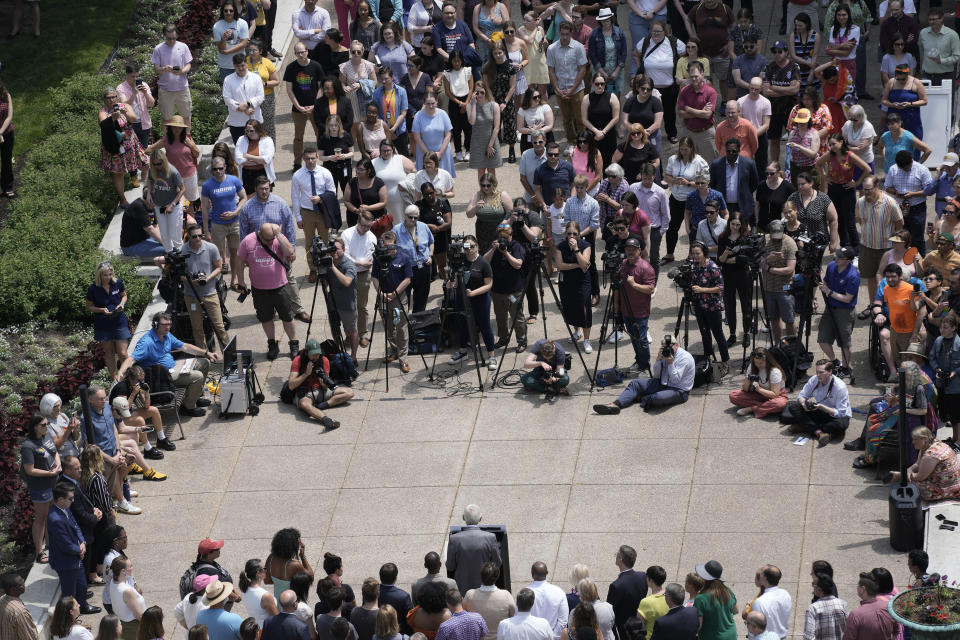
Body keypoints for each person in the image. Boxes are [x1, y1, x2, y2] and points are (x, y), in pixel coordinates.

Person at [118, 310, 215, 417]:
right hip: (161, 376)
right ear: (155, 325)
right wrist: (121, 373)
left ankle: (196, 396)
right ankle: (188, 407)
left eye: (169, 324)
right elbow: (131, 359)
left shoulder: (167, 335)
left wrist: (206, 353)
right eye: (164, 324)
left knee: (204, 362)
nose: (168, 327)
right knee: (197, 376)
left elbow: (185, 347)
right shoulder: (146, 342)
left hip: (173, 367)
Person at [236, 223, 299, 360]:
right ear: (259, 233)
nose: (270, 242)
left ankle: (293, 344)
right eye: (267, 240)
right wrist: (241, 280)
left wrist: (278, 234)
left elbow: (290, 254)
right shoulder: (248, 241)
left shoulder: (278, 238)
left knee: (287, 317)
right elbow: (239, 261)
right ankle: (272, 344)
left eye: (272, 240)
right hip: (259, 289)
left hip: (280, 286)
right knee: (266, 318)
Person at [592, 336, 695, 413]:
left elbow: (676, 380)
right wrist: (658, 360)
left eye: (668, 347)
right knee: (635, 383)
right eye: (664, 348)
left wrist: (670, 363)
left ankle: (641, 397)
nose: (667, 350)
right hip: (662, 384)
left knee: (656, 397)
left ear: (676, 345)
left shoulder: (685, 358)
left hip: (678, 390)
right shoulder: (665, 353)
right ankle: (615, 405)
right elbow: (657, 376)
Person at [49, 483, 99, 615]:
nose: (73, 500)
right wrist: (79, 550)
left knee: (82, 585)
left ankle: (82, 606)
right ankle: (70, 620)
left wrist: (82, 541)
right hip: (65, 562)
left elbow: (76, 526)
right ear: (60, 499)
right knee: (69, 594)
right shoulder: (55, 520)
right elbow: (64, 544)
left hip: (76, 557)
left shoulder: (65, 509)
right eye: (70, 498)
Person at [779, 359, 853, 446]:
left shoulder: (840, 387)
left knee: (840, 426)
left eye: (821, 372)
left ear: (830, 372)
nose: (818, 375)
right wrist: (804, 403)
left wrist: (822, 407)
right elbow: (802, 396)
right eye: (817, 372)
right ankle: (819, 432)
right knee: (794, 407)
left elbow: (841, 413)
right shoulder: (814, 379)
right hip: (820, 411)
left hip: (835, 416)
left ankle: (807, 426)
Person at [201, 155, 248, 290]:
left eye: (220, 169)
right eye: (215, 169)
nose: (218, 172)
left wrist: (235, 212)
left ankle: (234, 281)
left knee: (235, 253)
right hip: (217, 224)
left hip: (234, 223)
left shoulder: (234, 180)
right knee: (218, 256)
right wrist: (206, 230)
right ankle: (220, 282)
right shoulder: (207, 185)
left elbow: (243, 197)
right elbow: (204, 208)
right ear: (212, 170)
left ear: (225, 168)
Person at [291, 147, 338, 280]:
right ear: (303, 159)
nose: (311, 161)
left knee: (325, 240)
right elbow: (295, 197)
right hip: (307, 212)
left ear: (317, 157)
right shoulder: (298, 175)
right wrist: (298, 217)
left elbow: (332, 192)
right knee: (309, 243)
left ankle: (326, 267)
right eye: (308, 158)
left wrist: (320, 198)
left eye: (313, 158)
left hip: (323, 211)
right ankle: (313, 269)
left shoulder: (325, 173)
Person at [99, 88, 149, 209]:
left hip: (130, 144)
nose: (111, 100)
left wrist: (124, 112)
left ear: (117, 97)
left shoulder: (125, 106)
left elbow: (133, 119)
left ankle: (144, 178)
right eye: (108, 98)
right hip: (115, 146)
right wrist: (112, 118)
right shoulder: (103, 112)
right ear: (104, 100)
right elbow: (102, 124)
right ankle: (122, 199)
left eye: (113, 97)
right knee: (118, 173)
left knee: (145, 163)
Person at [19, 414, 60, 565]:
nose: (46, 427)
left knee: (51, 516)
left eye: (47, 424)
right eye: (43, 425)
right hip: (40, 487)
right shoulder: (28, 446)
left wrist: (58, 465)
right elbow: (30, 470)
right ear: (35, 427)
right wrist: (49, 473)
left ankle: (50, 544)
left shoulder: (46, 436)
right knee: (41, 519)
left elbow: (55, 453)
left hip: (52, 482)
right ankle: (39, 552)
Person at [855, 175, 903, 298]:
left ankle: (887, 306)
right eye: (864, 189)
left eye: (869, 189)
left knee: (888, 279)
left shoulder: (890, 203)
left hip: (886, 248)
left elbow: (900, 224)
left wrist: (895, 244)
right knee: (870, 278)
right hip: (867, 247)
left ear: (876, 187)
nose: (866, 192)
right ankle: (873, 305)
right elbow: (860, 221)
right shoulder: (860, 202)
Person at [373, 232, 413, 373]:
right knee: (388, 325)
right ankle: (394, 350)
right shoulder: (379, 258)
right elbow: (374, 277)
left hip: (398, 298)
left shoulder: (404, 257)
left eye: (391, 246)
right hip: (383, 298)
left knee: (401, 327)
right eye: (385, 246)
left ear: (396, 243)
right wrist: (381, 293)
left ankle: (403, 358)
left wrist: (395, 293)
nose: (388, 249)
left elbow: (407, 279)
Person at [484, 222, 527, 352]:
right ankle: (503, 338)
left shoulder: (516, 246)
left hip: (514, 291)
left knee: (517, 317)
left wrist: (506, 252)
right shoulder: (494, 246)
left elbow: (518, 264)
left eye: (506, 236)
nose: (504, 239)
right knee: (500, 317)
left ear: (511, 236)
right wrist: (493, 249)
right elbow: (484, 262)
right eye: (501, 236)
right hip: (497, 291)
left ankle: (522, 341)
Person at [86, 261, 132, 380]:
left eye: (110, 274)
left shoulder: (117, 283)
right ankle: (114, 377)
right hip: (103, 323)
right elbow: (89, 306)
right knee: (109, 352)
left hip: (119, 321)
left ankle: (127, 376)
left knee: (122, 353)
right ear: (99, 275)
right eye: (105, 275)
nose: (108, 277)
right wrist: (102, 310)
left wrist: (121, 304)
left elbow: (124, 295)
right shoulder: (93, 288)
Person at [885, 149, 935, 256]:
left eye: (906, 167)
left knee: (917, 237)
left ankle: (919, 261)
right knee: (900, 235)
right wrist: (896, 192)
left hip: (917, 208)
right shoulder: (893, 169)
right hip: (898, 207)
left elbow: (929, 190)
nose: (903, 169)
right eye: (901, 168)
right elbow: (887, 187)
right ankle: (901, 259)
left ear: (911, 161)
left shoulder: (922, 170)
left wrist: (913, 194)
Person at [889, 426, 960, 500]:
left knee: (908, 484)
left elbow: (919, 477)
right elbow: (917, 464)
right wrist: (907, 471)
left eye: (915, 439)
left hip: (944, 489)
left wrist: (900, 475)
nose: (913, 442)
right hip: (953, 483)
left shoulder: (930, 455)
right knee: (907, 478)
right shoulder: (934, 443)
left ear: (925, 438)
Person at [555, 220, 594, 353]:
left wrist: (576, 250)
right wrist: (576, 266)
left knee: (584, 308)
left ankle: (587, 340)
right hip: (566, 282)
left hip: (582, 282)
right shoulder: (561, 246)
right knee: (570, 307)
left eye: (574, 234)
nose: (571, 236)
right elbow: (559, 266)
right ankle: (577, 331)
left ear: (578, 234)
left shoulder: (585, 245)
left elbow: (585, 264)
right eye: (569, 233)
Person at [546, 22, 589, 142]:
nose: (564, 37)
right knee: (566, 119)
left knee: (580, 119)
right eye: (562, 34)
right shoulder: (551, 49)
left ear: (571, 33)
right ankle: (571, 141)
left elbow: (582, 70)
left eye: (567, 34)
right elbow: (551, 70)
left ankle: (582, 142)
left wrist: (572, 89)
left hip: (577, 89)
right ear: (559, 32)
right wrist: (557, 89)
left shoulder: (579, 47)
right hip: (560, 90)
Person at [618, 237, 655, 372]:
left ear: (639, 250)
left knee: (642, 340)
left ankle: (645, 367)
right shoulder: (623, 264)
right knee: (634, 339)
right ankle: (639, 361)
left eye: (633, 249)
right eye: (628, 249)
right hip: (626, 310)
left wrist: (634, 284)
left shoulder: (646, 268)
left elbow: (650, 289)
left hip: (640, 312)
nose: (630, 252)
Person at [285, 43, 324, 168]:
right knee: (298, 137)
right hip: (298, 109)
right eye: (298, 53)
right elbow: (289, 89)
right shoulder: (291, 67)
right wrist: (298, 106)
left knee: (320, 134)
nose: (301, 55)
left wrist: (315, 105)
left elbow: (321, 87)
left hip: (315, 108)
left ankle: (323, 159)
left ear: (307, 51)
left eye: (303, 52)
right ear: (295, 54)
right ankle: (297, 163)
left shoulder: (316, 66)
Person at [762, 42, 801, 165]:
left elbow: (795, 90)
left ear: (786, 52)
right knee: (774, 140)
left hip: (791, 111)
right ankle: (775, 165)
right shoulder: (768, 67)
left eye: (780, 51)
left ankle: (793, 165)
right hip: (773, 110)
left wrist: (774, 87)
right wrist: (786, 91)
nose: (777, 54)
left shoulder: (794, 67)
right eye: (774, 51)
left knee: (794, 139)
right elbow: (766, 92)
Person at [715, 212, 751, 346]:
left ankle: (746, 333)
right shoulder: (723, 237)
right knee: (730, 306)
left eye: (738, 225)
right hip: (728, 275)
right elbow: (720, 260)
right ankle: (732, 333)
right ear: (729, 223)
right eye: (733, 224)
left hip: (743, 275)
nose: (735, 227)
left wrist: (731, 259)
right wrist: (726, 254)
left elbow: (746, 259)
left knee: (746, 305)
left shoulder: (746, 237)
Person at [393, 204, 434, 313]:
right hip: (406, 269)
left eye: (415, 217)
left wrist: (430, 255)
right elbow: (392, 249)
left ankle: (418, 324)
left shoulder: (423, 227)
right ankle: (406, 325)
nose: (413, 219)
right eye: (410, 217)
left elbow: (431, 242)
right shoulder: (396, 230)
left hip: (423, 267)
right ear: (405, 216)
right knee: (404, 300)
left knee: (421, 298)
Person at [151, 25, 194, 128]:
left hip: (182, 89)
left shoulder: (183, 46)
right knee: (166, 119)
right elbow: (156, 69)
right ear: (164, 36)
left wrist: (182, 71)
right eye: (169, 38)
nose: (172, 41)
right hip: (166, 90)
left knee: (186, 116)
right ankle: (167, 141)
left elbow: (188, 64)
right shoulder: (158, 49)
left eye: (174, 38)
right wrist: (164, 69)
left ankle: (187, 139)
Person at [676, 61, 719, 162]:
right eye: (691, 76)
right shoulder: (684, 91)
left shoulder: (711, 92)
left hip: (706, 134)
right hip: (689, 133)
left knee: (710, 164)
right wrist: (701, 112)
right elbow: (681, 114)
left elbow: (707, 115)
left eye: (696, 76)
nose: (694, 79)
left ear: (702, 75)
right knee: (689, 162)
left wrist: (689, 109)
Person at [709, 139, 758, 226]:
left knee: (742, 232)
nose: (731, 153)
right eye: (728, 151)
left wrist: (744, 193)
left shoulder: (749, 164)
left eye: (734, 151)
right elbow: (712, 184)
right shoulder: (716, 165)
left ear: (739, 150)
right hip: (724, 206)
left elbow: (754, 184)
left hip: (742, 205)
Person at [729, 348, 788, 417]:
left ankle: (752, 409)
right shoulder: (752, 366)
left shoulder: (774, 372)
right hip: (758, 394)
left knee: (780, 404)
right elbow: (745, 389)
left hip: (775, 395)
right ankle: (766, 406)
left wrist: (758, 389)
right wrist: (748, 382)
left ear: (767, 361)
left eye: (761, 363)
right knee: (733, 396)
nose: (758, 365)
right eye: (756, 363)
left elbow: (775, 394)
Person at [931, 315, 960, 442]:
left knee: (956, 416)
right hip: (941, 383)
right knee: (944, 412)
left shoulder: (959, 344)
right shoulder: (938, 341)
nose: (942, 330)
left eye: (945, 327)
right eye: (941, 327)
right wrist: (937, 369)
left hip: (955, 386)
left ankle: (957, 441)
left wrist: (955, 372)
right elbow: (932, 358)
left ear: (954, 328)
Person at [841, 574, 897, 640]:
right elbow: (896, 630)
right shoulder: (889, 607)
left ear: (863, 589)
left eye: (858, 586)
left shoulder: (855, 615)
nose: (857, 587)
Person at [412, 93, 455, 175]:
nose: (431, 106)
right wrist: (429, 155)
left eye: (433, 103)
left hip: (443, 152)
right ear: (424, 103)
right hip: (424, 153)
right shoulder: (418, 116)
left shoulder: (443, 114)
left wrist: (440, 153)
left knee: (445, 181)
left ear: (437, 102)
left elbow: (448, 135)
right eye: (428, 104)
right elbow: (417, 138)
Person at [692, 561, 737, 640]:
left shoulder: (700, 598)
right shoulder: (728, 591)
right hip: (731, 636)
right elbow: (735, 611)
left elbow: (698, 625)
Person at [372, 67, 411, 155]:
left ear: (392, 77)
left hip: (399, 130)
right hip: (383, 130)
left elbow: (403, 113)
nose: (383, 81)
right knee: (386, 156)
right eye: (382, 79)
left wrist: (393, 129)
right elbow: (375, 113)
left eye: (386, 78)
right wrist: (387, 130)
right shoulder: (377, 92)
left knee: (403, 156)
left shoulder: (401, 91)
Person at [467, 81, 502, 178]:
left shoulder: (494, 105)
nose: (480, 95)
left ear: (486, 92)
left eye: (482, 92)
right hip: (477, 142)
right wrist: (474, 104)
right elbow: (472, 122)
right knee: (481, 170)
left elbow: (496, 127)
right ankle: (482, 193)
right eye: (477, 92)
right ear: (474, 93)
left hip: (491, 141)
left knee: (491, 169)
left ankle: (493, 192)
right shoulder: (469, 105)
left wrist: (490, 145)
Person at [745, 567, 791, 640]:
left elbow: (754, 628)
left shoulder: (759, 602)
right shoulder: (786, 594)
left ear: (765, 579)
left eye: (762, 574)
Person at [235, 119, 277, 196]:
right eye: (247, 131)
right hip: (247, 175)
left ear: (258, 130)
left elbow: (266, 159)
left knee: (264, 198)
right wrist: (258, 160)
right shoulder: (241, 139)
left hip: (262, 173)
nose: (248, 133)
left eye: (251, 131)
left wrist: (248, 156)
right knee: (248, 200)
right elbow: (239, 159)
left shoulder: (267, 140)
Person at [317, 114, 355, 198]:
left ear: (339, 125)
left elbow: (352, 152)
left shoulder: (346, 135)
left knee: (348, 193)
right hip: (330, 169)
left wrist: (344, 156)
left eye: (336, 125)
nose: (333, 128)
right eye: (331, 125)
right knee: (331, 194)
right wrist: (330, 158)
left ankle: (350, 209)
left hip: (345, 167)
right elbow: (320, 157)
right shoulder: (324, 138)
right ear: (327, 126)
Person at [919, 8, 960, 85]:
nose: (932, 22)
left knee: (947, 97)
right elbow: (921, 53)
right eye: (930, 19)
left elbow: (956, 56)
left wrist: (941, 61)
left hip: (946, 75)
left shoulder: (952, 35)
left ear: (942, 18)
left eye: (934, 19)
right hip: (927, 75)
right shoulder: (923, 33)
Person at [802, 574, 847, 640]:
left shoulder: (813, 608)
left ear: (819, 589)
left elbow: (808, 637)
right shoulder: (843, 604)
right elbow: (848, 630)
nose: (813, 588)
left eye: (814, 585)